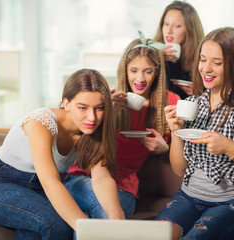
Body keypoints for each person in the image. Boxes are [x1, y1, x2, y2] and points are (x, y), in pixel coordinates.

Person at [156, 27, 234, 240]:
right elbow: (179, 169)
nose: (206, 68)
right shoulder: (194, 103)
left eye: (217, 62)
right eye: (203, 60)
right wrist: (176, 132)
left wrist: (230, 148)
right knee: (154, 236)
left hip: (230, 205)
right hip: (187, 196)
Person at [0, 69, 125, 240]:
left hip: (38, 192)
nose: (92, 117)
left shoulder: (91, 131)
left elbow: (101, 178)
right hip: (1, 185)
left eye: (99, 108)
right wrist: (86, 228)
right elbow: (50, 182)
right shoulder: (40, 122)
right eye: (82, 108)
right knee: (58, 224)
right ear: (67, 104)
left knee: (37, 229)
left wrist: (117, 216)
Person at [64, 31, 180, 219]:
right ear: (125, 71)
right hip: (85, 177)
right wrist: (108, 115)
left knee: (94, 215)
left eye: (148, 71)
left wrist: (165, 148)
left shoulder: (171, 102)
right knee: (103, 211)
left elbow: (184, 150)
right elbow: (84, 143)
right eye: (133, 70)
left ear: (157, 72)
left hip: (124, 186)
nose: (140, 79)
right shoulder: (110, 99)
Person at [154, 0, 204, 99]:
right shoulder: (152, 54)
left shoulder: (201, 59)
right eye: (166, 23)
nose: (169, 30)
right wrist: (155, 58)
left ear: (190, 30)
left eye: (177, 26)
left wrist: (202, 92)